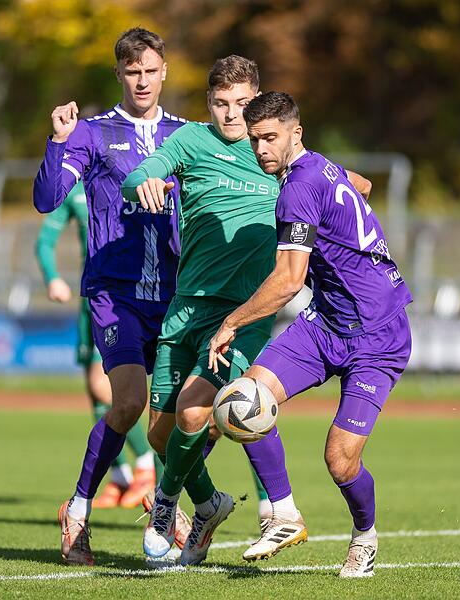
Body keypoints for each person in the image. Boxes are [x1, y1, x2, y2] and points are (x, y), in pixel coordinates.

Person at [123, 57, 374, 566]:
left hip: (245, 314)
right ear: (209, 103)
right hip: (186, 306)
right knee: (160, 435)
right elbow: (139, 176)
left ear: (256, 102)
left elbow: (357, 185)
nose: (231, 114)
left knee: (195, 411)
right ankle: (210, 505)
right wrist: (144, 183)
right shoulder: (192, 142)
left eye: (241, 103)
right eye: (220, 103)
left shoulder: (274, 156)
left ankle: (167, 506)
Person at [208, 91, 412, 578]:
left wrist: (231, 322)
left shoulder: (297, 188)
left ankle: (365, 536)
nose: (261, 149)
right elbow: (361, 185)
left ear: (295, 133)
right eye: (255, 140)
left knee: (340, 460)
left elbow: (288, 281)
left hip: (377, 334)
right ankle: (283, 514)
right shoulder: (320, 167)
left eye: (270, 138)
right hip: (328, 323)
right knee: (245, 398)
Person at [33, 27, 190, 566]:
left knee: (177, 415)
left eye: (150, 70)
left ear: (164, 71)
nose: (142, 81)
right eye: (132, 71)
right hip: (114, 294)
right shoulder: (92, 133)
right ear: (118, 73)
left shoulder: (187, 134)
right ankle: (78, 511)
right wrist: (58, 142)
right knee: (127, 403)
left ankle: (168, 507)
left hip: (173, 295)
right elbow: (47, 198)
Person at [34, 181, 156, 509]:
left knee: (105, 389)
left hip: (124, 300)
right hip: (91, 300)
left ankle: (146, 464)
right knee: (95, 393)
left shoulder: (127, 178)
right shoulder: (73, 191)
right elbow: (44, 242)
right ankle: (120, 476)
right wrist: (53, 278)